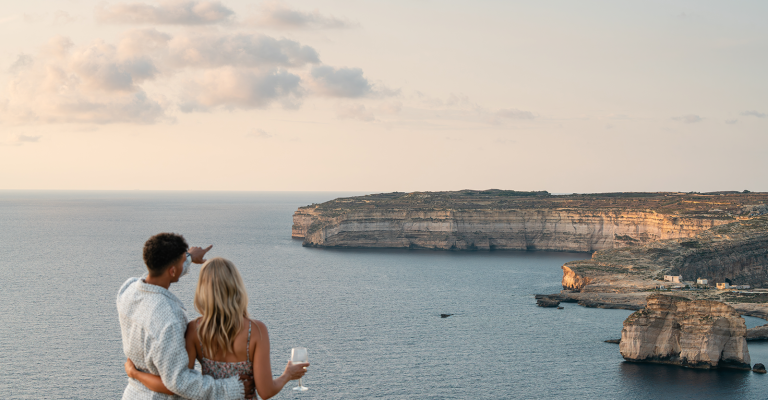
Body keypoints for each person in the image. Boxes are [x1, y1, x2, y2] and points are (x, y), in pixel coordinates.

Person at [124, 257, 309, 400]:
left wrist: (136, 374)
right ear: (236, 287)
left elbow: (178, 385)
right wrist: (287, 375)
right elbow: (266, 391)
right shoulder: (257, 331)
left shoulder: (194, 330)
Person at [117, 233, 254, 399]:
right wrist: (233, 388)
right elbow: (178, 382)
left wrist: (188, 257)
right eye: (183, 261)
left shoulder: (128, 290)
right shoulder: (168, 317)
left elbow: (163, 272)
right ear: (173, 270)